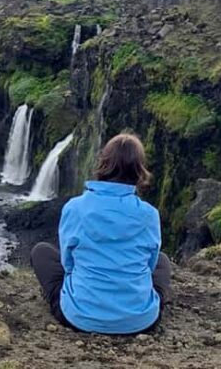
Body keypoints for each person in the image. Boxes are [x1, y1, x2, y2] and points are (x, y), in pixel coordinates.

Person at [30, 132, 172, 335]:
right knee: (162, 261)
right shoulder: (150, 214)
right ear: (139, 170)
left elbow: (68, 262)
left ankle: (70, 303)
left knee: (41, 251)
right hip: (141, 322)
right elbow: (150, 263)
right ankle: (149, 304)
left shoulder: (75, 207)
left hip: (80, 318)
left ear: (103, 163)